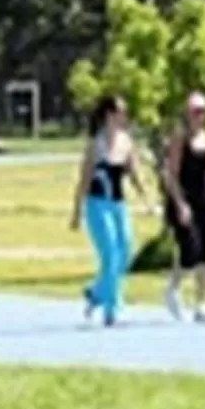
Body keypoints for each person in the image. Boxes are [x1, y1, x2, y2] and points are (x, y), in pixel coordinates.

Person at [70, 94, 135, 326]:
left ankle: (97, 292)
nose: (124, 116)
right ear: (109, 115)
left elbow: (133, 172)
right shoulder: (95, 144)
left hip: (118, 204)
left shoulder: (126, 141)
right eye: (120, 112)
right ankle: (112, 308)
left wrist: (146, 198)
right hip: (98, 205)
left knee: (126, 251)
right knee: (110, 254)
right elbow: (84, 179)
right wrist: (76, 211)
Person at [162, 90, 205, 324]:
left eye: (202, 111)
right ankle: (173, 288)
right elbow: (171, 175)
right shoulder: (180, 139)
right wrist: (180, 204)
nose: (199, 116)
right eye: (195, 111)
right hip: (185, 200)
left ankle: (202, 303)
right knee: (190, 250)